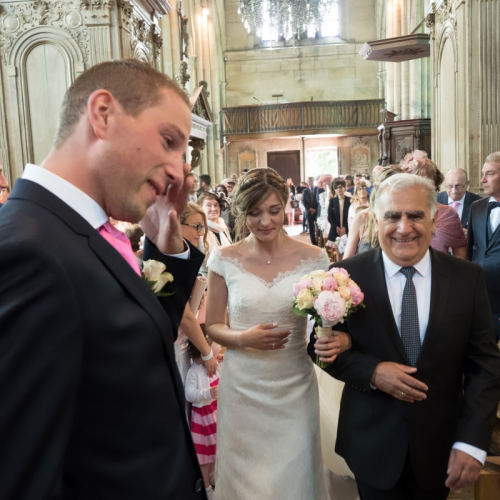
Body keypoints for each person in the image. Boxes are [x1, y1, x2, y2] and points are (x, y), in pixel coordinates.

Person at [0, 59, 207, 499]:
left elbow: (130, 349)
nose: (178, 171)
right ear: (102, 114)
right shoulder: (28, 253)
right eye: (168, 141)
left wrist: (163, 246)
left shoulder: (78, 230)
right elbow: (21, 473)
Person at [314, 173, 500, 500]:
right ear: (375, 220)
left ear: (434, 218)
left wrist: (471, 442)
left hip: (440, 443)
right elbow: (319, 351)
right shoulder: (345, 276)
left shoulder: (467, 279)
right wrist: (372, 371)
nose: (404, 227)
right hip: (371, 442)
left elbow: (485, 364)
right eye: (392, 216)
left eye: (415, 215)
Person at [205, 167, 352, 500]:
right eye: (255, 213)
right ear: (242, 212)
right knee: (246, 482)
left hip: (294, 384)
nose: (265, 222)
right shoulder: (224, 259)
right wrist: (242, 338)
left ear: (286, 205)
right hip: (243, 385)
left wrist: (333, 336)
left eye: (273, 211)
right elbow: (213, 324)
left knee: (295, 475)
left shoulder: (313, 257)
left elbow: (329, 321)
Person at [176, 202, 218, 386]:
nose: (201, 233)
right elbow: (184, 316)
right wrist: (207, 353)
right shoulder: (169, 259)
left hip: (184, 340)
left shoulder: (184, 255)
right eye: (197, 226)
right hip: (174, 342)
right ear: (177, 223)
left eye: (203, 227)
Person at [467, 151, 500, 341]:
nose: (483, 179)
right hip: (482, 297)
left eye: (490, 173)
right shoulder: (477, 206)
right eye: (483, 173)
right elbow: (472, 248)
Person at [185, 339, 221, 500]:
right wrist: (207, 393)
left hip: (214, 415)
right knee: (204, 457)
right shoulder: (194, 371)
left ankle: (212, 477)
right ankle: (206, 489)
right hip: (202, 420)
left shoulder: (214, 366)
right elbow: (189, 394)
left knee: (215, 451)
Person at [411, 160, 467, 258]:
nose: (423, 182)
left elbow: (460, 255)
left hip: (440, 270)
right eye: (418, 178)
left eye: (428, 178)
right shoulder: (402, 212)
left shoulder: (448, 214)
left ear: (436, 183)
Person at [197, 192, 232, 275]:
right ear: (200, 209)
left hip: (228, 276)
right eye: (208, 205)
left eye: (216, 205)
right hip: (207, 279)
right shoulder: (199, 230)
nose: (213, 209)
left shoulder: (222, 226)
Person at [327, 178, 350, 246]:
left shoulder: (350, 200)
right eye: (336, 188)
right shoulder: (332, 201)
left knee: (348, 249)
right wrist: (336, 226)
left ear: (344, 187)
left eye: (340, 187)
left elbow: (350, 216)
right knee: (338, 252)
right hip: (335, 229)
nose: (338, 189)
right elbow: (330, 216)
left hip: (347, 228)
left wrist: (345, 227)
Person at [302, 176, 319, 245]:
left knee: (318, 227)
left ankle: (318, 239)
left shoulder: (318, 189)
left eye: (312, 181)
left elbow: (319, 201)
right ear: (307, 183)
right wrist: (310, 209)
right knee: (311, 228)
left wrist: (315, 209)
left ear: (314, 182)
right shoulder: (305, 191)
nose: (311, 182)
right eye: (309, 181)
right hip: (309, 212)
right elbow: (304, 201)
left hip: (317, 211)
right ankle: (313, 242)